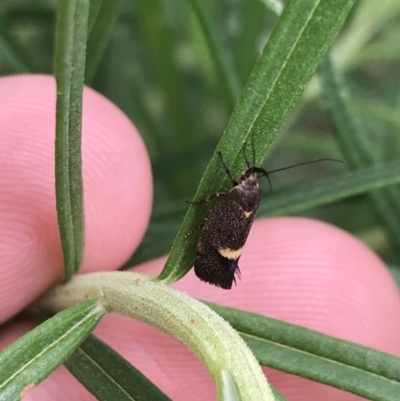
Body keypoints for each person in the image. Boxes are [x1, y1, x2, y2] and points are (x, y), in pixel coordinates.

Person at [1, 74, 400, 401]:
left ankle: (220, 264)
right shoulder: (247, 192)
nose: (248, 178)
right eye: (248, 176)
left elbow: (223, 196)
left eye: (248, 178)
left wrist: (220, 197)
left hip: (219, 241)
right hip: (219, 241)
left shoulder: (241, 193)